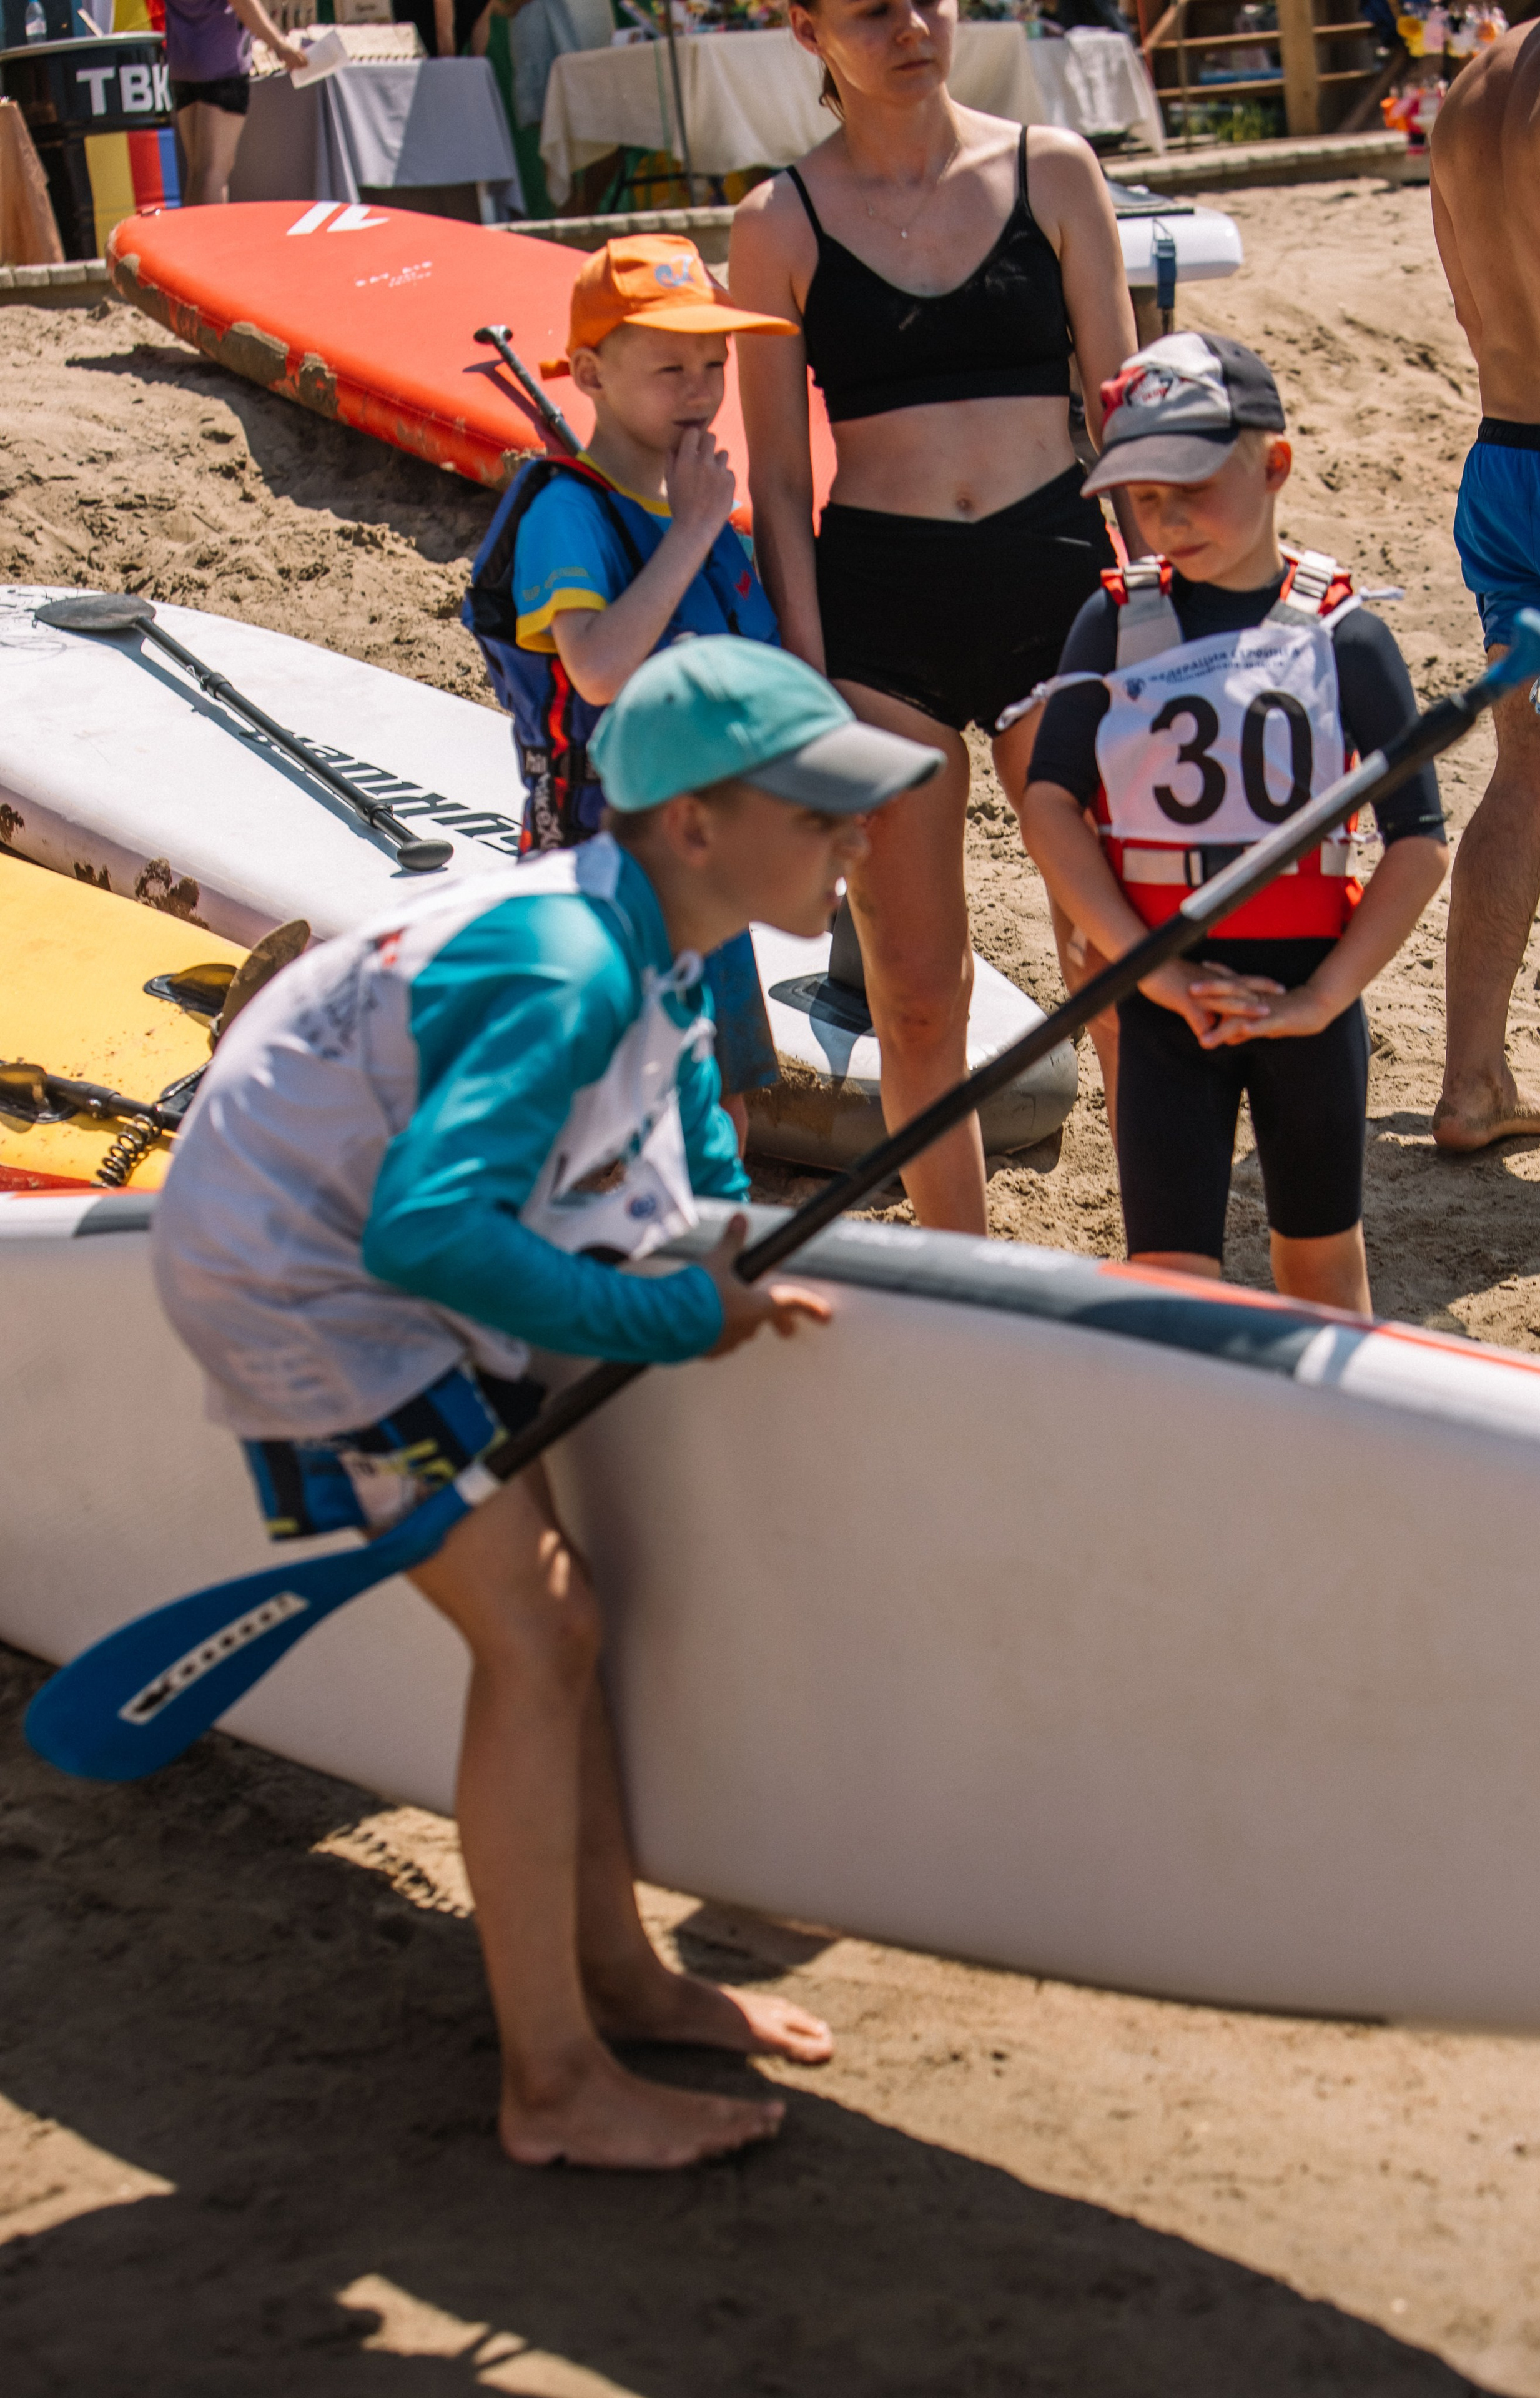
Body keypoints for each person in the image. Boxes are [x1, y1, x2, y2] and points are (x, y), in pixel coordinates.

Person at [150, 639, 942, 2170]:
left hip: (358, 1236)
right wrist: (666, 1315)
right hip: (300, 1277)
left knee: (562, 1618)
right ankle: (554, 2082)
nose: (853, 842)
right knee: (536, 1632)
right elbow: (423, 1235)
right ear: (695, 824)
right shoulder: (566, 964)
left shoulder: (652, 936)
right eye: (818, 811)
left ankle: (620, 1973)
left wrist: (718, 1235)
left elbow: (680, 1106)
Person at [728, 0, 1138, 1234]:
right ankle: (965, 1279)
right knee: (913, 996)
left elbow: (1122, 415)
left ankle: (1161, 1247)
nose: (910, 25)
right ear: (807, 31)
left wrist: (1163, 598)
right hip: (876, 614)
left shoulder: (1051, 172)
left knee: (1108, 963)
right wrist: (803, 676)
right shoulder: (775, 222)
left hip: (1053, 586)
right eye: (869, 9)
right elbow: (780, 484)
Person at [1015, 334, 1448, 1313]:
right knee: (1171, 1281)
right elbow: (1050, 807)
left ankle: (1336, 1460)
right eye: (1143, 496)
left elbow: (1417, 841)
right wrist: (1148, 969)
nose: (1166, 516)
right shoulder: (1114, 623)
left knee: (1321, 1263)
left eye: (1192, 484)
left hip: (1308, 1008)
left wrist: (1328, 996)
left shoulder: (1346, 634)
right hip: (1166, 1012)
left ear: (1275, 465)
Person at [465, 233, 799, 1137]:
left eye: (713, 363)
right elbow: (601, 671)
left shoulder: (691, 508)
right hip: (603, 866)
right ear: (589, 372)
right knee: (620, 1111)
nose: (700, 389)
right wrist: (693, 529)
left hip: (705, 862)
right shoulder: (569, 510)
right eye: (670, 366)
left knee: (718, 1105)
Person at [1429, 3, 1540, 1149]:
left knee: (1532, 780)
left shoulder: (1472, 87)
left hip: (1509, 465)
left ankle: (1474, 1080)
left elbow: (1471, 301)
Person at [164, 0, 302, 205]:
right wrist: (278, 44)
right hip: (221, 60)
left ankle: (194, 237)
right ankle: (212, 237)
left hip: (183, 61)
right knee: (213, 173)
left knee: (199, 172)